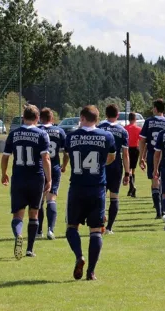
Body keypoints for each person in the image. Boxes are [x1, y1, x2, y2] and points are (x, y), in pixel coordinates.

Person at [63, 105, 116, 281]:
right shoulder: (107, 136)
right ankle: (91, 272)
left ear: (82, 118)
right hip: (97, 188)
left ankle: (79, 256)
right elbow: (112, 157)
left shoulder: (71, 137)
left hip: (77, 187)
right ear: (97, 119)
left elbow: (68, 155)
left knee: (71, 227)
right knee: (96, 231)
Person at [1, 105, 51, 259]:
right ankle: (29, 249)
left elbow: (5, 156)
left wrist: (4, 173)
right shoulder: (42, 134)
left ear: (23, 118)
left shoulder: (14, 134)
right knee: (34, 213)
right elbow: (46, 158)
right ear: (37, 118)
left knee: (18, 215)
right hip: (36, 178)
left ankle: (18, 235)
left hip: (19, 178)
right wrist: (49, 179)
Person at [98, 104, 130, 234]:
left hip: (100, 166)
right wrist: (128, 173)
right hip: (116, 167)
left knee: (100, 196)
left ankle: (100, 224)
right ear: (117, 115)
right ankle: (109, 227)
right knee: (114, 197)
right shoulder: (122, 131)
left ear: (105, 114)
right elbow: (126, 154)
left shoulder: (99, 128)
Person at [139, 99, 165, 219]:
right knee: (163, 181)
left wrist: (141, 157)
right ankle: (164, 209)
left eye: (153, 107)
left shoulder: (148, 121)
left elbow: (142, 140)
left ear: (156, 109)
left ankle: (158, 212)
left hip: (152, 154)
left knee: (154, 181)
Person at [37, 107, 66, 240]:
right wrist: (64, 165)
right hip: (54, 167)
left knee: (40, 200)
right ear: (52, 118)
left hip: (39, 167)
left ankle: (38, 231)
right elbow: (66, 152)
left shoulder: (37, 131)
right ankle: (50, 230)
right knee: (51, 199)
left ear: (40, 118)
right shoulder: (60, 131)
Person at [125, 112, 141, 197]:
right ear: (135, 119)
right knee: (133, 169)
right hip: (136, 149)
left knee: (128, 169)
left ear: (128, 119)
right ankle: (131, 189)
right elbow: (141, 141)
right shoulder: (138, 129)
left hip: (127, 149)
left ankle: (132, 187)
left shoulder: (125, 128)